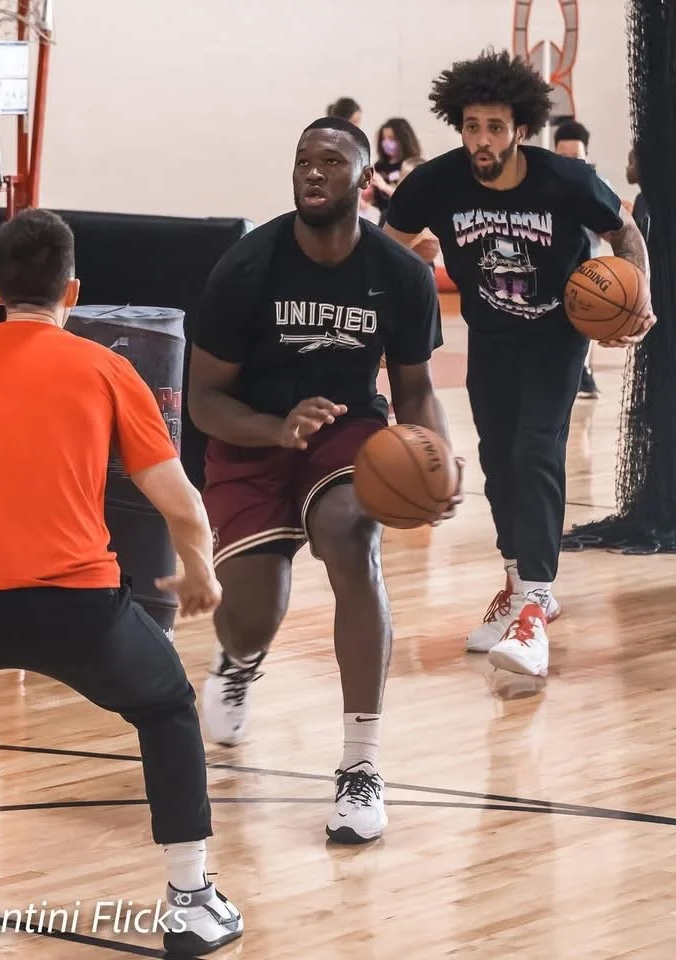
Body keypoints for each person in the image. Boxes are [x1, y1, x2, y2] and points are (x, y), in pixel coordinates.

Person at [0, 209, 242, 956]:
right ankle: (189, 902)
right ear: (74, 291)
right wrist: (201, 574)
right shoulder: (109, 368)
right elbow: (181, 501)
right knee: (166, 709)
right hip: (77, 608)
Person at [187, 116, 460, 844]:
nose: (313, 172)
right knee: (253, 609)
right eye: (304, 160)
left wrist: (437, 457)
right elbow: (204, 399)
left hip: (344, 429)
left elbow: (412, 387)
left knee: (350, 534)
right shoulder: (246, 267)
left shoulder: (398, 274)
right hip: (252, 431)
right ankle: (239, 661)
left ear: (362, 180)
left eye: (331, 162)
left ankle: (361, 766)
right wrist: (275, 429)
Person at [384, 49, 655, 678]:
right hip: (491, 338)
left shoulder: (565, 180)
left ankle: (534, 607)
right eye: (473, 126)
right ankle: (517, 581)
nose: (483, 140)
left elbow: (626, 234)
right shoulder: (435, 182)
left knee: (536, 451)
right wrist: (402, 285)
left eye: (496, 127)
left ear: (522, 129)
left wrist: (638, 296)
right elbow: (387, 249)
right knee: (498, 461)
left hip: (557, 336)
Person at [553, 119, 610, 399]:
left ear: (586, 157)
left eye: (576, 158)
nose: (570, 164)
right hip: (555, 270)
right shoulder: (545, 187)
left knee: (586, 322)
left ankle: (583, 375)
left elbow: (614, 232)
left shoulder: (599, 186)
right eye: (563, 158)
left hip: (590, 270)